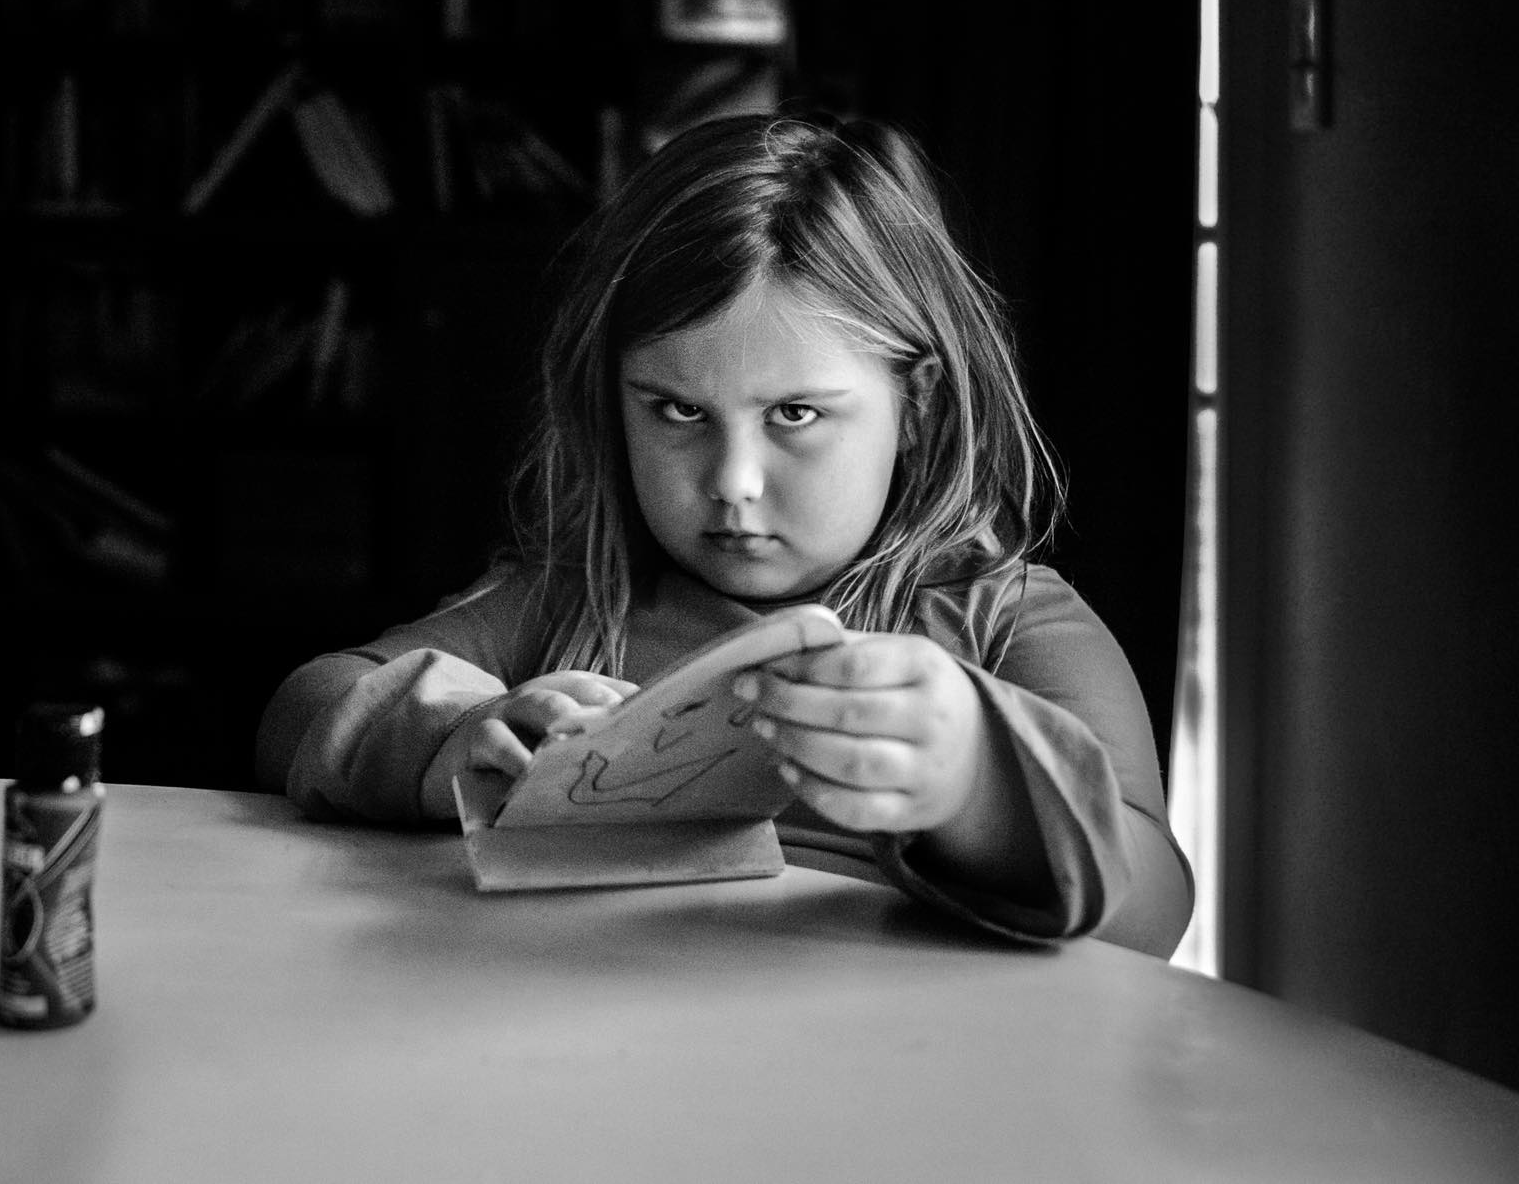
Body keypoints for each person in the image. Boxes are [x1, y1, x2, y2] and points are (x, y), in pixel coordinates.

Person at [255, 113, 1194, 958]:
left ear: (917, 407)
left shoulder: (1012, 623)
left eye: (794, 414)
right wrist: (449, 738)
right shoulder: (577, 596)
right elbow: (304, 706)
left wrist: (978, 783)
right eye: (676, 411)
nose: (731, 484)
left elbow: (1155, 909)